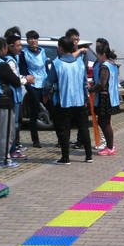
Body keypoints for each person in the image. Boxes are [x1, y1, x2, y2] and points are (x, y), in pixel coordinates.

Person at [0, 37, 34, 168]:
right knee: (6, 133)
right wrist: (27, 79)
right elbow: (15, 81)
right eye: (5, 47)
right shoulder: (0, 64)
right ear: (1, 49)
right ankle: (5, 160)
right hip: (3, 101)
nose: (7, 50)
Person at [46, 36, 93, 164]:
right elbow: (84, 83)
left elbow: (49, 82)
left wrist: (46, 94)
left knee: (63, 130)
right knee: (83, 128)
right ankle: (88, 156)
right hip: (79, 101)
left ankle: (65, 157)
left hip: (63, 101)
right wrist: (85, 98)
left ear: (60, 48)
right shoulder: (79, 63)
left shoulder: (57, 64)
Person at [92, 40, 120, 156]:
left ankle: (110, 147)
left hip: (105, 98)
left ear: (102, 54)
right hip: (112, 97)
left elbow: (102, 84)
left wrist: (91, 89)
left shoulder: (104, 66)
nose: (97, 57)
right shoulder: (112, 64)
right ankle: (110, 146)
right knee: (105, 122)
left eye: (97, 55)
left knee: (104, 122)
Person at [3, 27, 28, 160]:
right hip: (13, 96)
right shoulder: (10, 60)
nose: (21, 48)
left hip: (17, 96)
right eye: (18, 45)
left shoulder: (14, 58)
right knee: (13, 125)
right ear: (11, 46)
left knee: (16, 124)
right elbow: (15, 80)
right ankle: (11, 150)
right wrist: (26, 79)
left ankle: (14, 148)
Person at [22, 29, 48, 148]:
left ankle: (60, 139)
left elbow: (45, 68)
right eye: (30, 39)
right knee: (34, 114)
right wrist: (29, 87)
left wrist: (49, 84)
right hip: (33, 85)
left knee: (52, 111)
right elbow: (23, 71)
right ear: (27, 41)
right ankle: (35, 140)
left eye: (35, 38)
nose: (33, 41)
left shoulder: (42, 51)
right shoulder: (24, 53)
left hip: (44, 84)